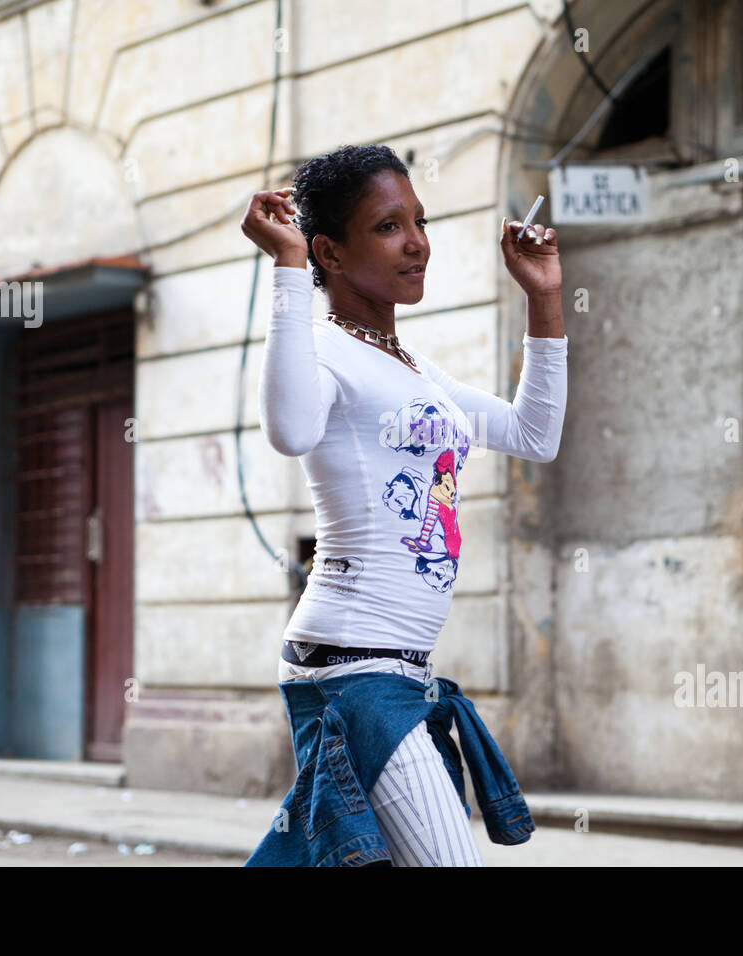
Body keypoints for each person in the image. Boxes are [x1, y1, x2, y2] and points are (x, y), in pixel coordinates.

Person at [238, 145, 567, 866]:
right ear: (330, 249)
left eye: (420, 220)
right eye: (389, 226)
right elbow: (290, 429)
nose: (417, 242)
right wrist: (288, 269)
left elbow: (534, 433)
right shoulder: (322, 350)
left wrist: (542, 298)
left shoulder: (414, 369)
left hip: (395, 669)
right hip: (353, 670)